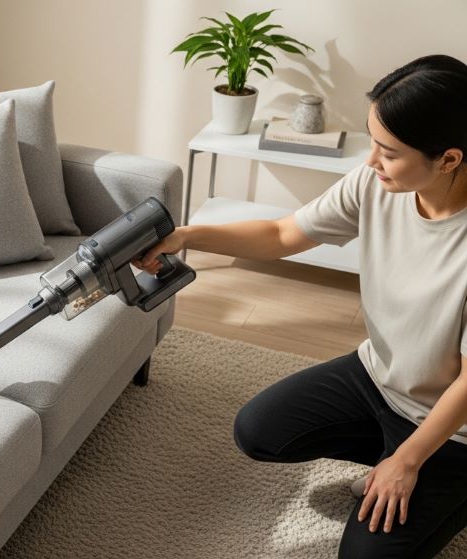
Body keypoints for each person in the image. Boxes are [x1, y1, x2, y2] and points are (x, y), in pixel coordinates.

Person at [135, 54, 467, 558]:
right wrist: (186, 236)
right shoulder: (375, 184)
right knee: (259, 431)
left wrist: (408, 459)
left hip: (453, 428)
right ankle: (388, 449)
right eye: (373, 143)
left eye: (389, 152)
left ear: (448, 159)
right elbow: (282, 233)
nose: (372, 162)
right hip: (379, 378)